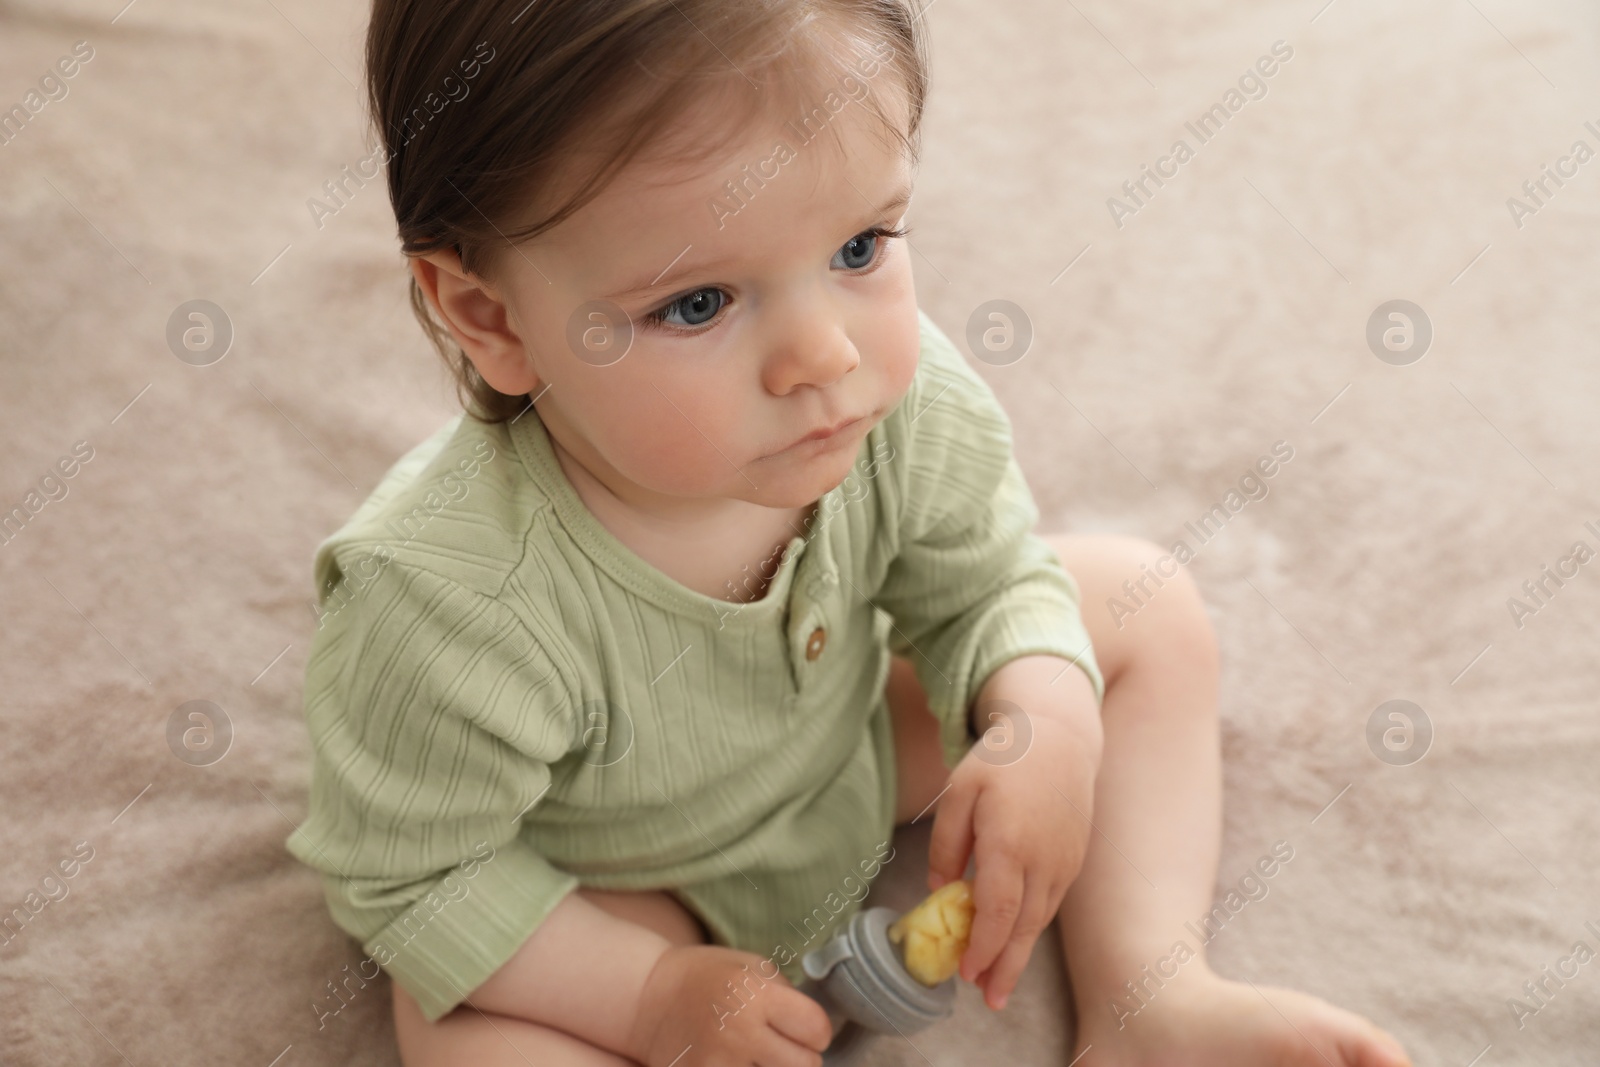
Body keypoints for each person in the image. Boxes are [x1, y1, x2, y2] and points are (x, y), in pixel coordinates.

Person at [286, 2, 1415, 1064]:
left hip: (849, 750)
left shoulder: (899, 405)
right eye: (697, 303)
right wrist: (643, 992)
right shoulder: (442, 600)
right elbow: (417, 878)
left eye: (860, 246)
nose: (823, 353)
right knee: (466, 1028)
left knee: (1136, 600)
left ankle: (1145, 995)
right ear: (490, 316)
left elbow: (986, 585)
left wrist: (1041, 715)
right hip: (604, 876)